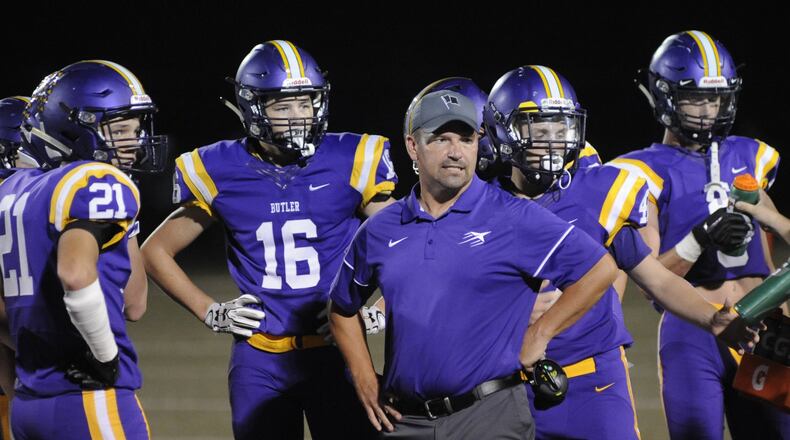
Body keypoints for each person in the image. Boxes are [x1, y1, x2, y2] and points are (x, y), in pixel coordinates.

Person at [485, 65, 759, 439]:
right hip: (502, 386)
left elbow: (655, 278)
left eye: (561, 128)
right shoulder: (479, 206)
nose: (552, 141)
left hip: (591, 379)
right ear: (503, 130)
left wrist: (712, 320)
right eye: (538, 129)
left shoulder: (595, 192)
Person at [141, 40, 397, 439]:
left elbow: (412, 243)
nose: (298, 116)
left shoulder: (350, 158)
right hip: (258, 358)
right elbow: (155, 251)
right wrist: (211, 310)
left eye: (305, 102)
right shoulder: (219, 168)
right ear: (252, 109)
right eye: (282, 106)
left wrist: (378, 309)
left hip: (339, 350)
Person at [329, 89, 619, 439]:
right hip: (404, 421)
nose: (456, 152)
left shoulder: (513, 216)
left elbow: (599, 268)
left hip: (490, 416)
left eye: (466, 139)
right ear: (412, 146)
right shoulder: (381, 229)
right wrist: (362, 375)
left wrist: (540, 334)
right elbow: (342, 307)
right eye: (441, 139)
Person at [610, 30, 790, 438]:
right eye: (696, 97)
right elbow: (650, 280)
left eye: (716, 98)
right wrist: (699, 239)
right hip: (692, 329)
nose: (708, 110)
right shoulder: (642, 171)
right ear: (663, 95)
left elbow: (778, 236)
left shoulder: (750, 155)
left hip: (766, 329)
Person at [0, 59, 168, 439]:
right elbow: (82, 277)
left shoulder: (12, 190)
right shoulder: (92, 180)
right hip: (89, 397)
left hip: (28, 401)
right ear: (74, 128)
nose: (134, 143)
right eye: (120, 129)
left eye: (137, 129)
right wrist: (105, 357)